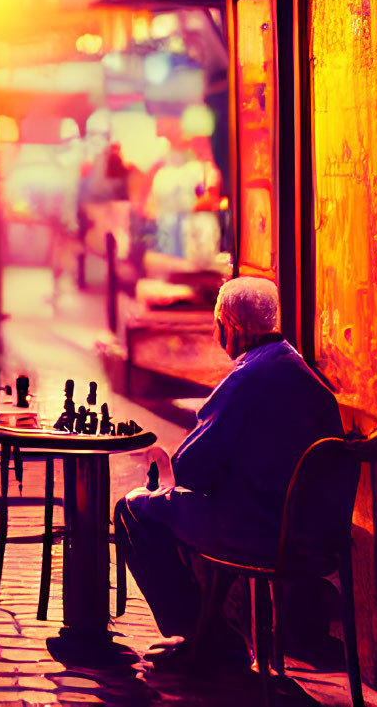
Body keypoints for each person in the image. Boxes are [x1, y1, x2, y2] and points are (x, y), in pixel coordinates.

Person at [113, 276, 344, 674]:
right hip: (313, 534)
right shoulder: (301, 371)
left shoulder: (245, 379)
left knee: (135, 509)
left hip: (260, 531)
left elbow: (191, 471)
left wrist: (162, 458)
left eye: (218, 326)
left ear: (232, 328)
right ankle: (216, 630)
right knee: (182, 509)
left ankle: (204, 639)